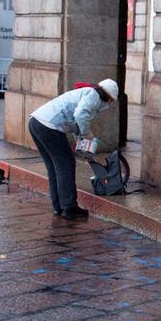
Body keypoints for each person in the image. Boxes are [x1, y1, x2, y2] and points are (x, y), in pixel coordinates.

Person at [28, 78, 119, 220]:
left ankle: (58, 207)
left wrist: (82, 145)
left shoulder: (86, 92)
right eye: (111, 101)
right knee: (66, 164)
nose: (110, 104)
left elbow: (75, 122)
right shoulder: (93, 95)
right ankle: (69, 208)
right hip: (49, 126)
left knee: (54, 167)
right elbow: (80, 115)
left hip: (36, 122)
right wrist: (86, 134)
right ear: (109, 97)